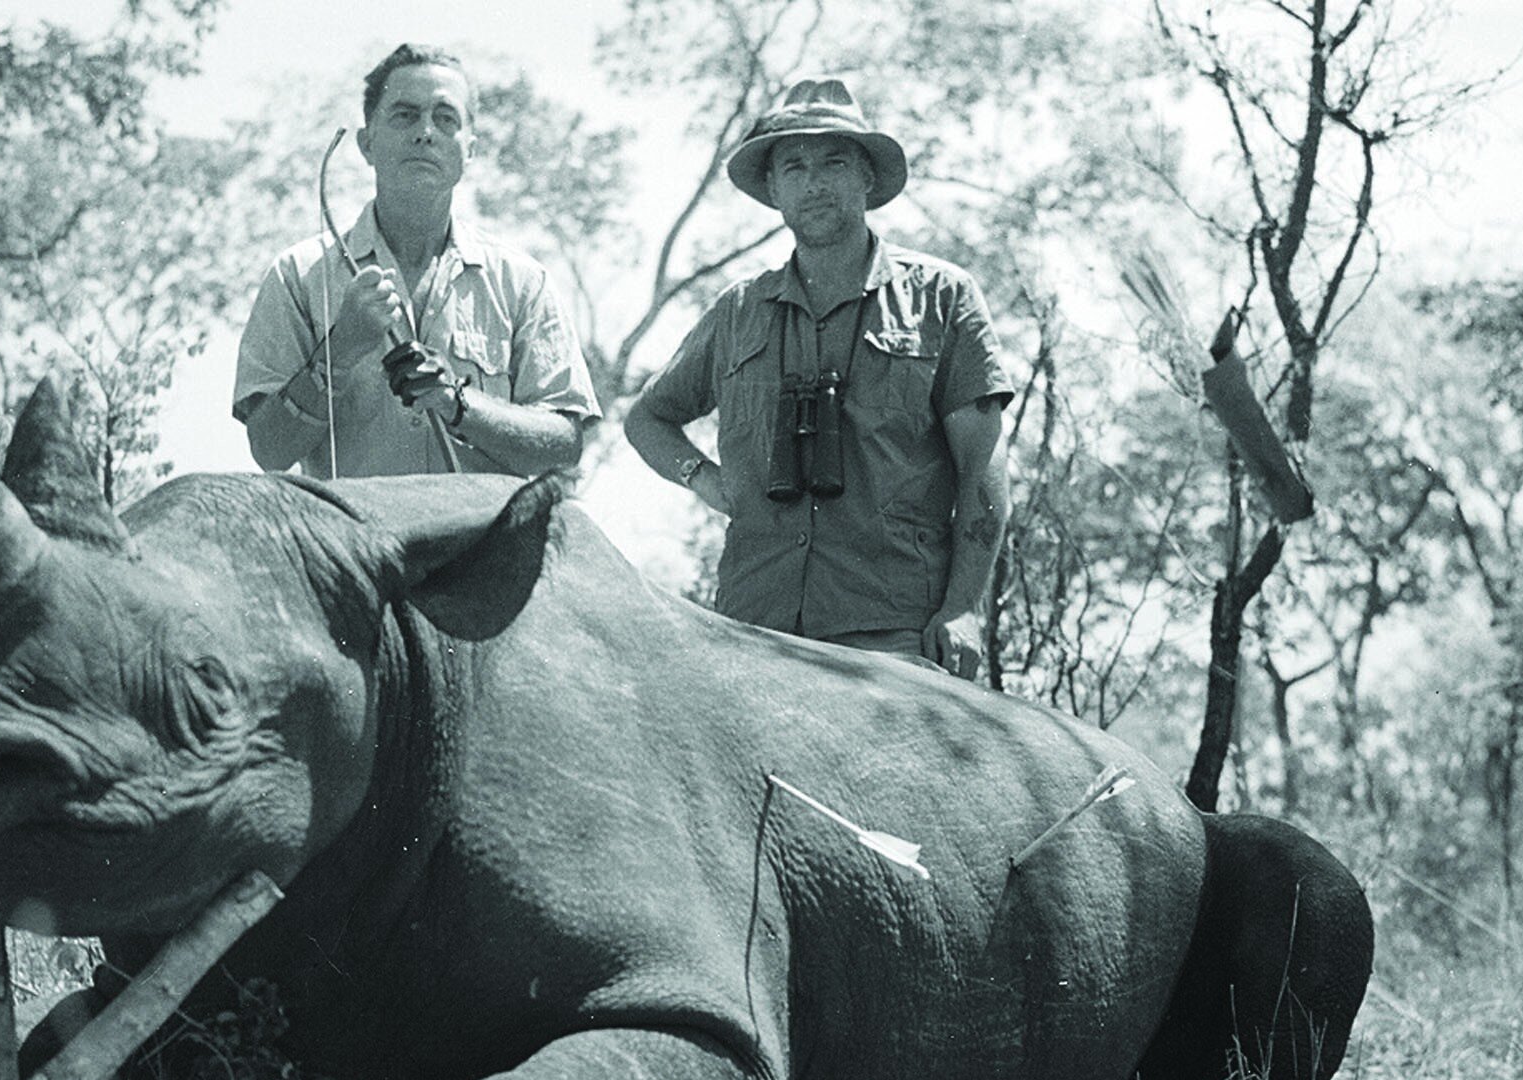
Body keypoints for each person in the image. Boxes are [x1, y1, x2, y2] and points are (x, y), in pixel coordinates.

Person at [625, 77, 1013, 677]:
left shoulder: (942, 297)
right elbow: (649, 417)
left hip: (891, 632)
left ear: (866, 178)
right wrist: (704, 480)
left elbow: (982, 477)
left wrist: (963, 610)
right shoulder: (738, 309)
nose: (815, 181)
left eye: (835, 161)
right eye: (795, 165)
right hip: (754, 625)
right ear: (774, 188)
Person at [234, 45, 598, 480]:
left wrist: (458, 404)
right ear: (367, 144)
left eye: (446, 118)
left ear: (470, 149)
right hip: (354, 544)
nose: (426, 132)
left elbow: (564, 446)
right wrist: (341, 347)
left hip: (483, 543)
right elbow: (269, 450)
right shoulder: (298, 275)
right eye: (405, 115)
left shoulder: (523, 283)